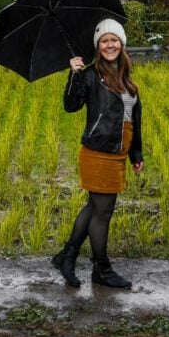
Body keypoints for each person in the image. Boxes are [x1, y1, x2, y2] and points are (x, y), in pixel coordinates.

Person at [53, 18, 143, 289]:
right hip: (98, 152)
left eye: (114, 40)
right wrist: (74, 75)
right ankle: (101, 269)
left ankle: (66, 256)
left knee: (94, 208)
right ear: (97, 46)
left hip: (118, 152)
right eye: (104, 41)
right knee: (103, 211)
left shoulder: (126, 78)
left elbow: (133, 119)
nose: (110, 45)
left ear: (122, 43)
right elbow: (71, 106)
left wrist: (136, 154)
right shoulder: (91, 75)